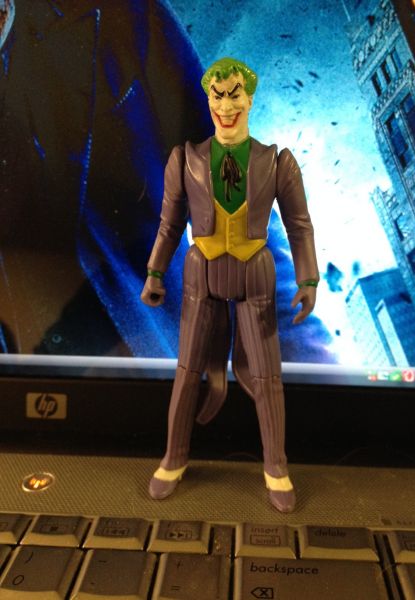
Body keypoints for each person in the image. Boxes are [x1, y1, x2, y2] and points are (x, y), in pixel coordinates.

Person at [141, 57, 319, 512]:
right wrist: (155, 272)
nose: (226, 106)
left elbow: (299, 225)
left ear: (249, 99)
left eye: (234, 94)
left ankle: (276, 466)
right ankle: (174, 457)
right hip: (200, 273)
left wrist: (308, 278)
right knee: (187, 370)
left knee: (268, 375)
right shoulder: (186, 159)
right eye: (217, 96)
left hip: (255, 274)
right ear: (208, 100)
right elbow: (169, 225)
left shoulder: (275, 162)